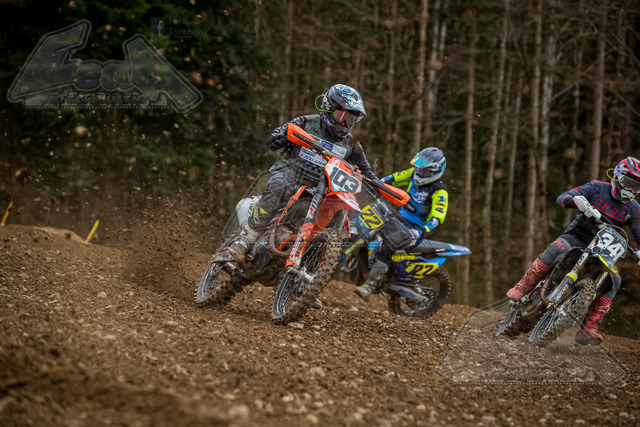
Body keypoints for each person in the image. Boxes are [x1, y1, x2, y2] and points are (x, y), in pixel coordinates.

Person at [226, 84, 380, 262]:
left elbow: (366, 172)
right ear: (329, 108)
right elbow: (272, 140)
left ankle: (313, 261)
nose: (346, 123)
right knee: (280, 185)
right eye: (342, 116)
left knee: (339, 208)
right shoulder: (306, 123)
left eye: (351, 119)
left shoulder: (351, 144)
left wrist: (381, 188)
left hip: (322, 189)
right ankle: (247, 237)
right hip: (292, 175)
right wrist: (285, 136)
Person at [506, 157, 640, 345]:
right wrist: (576, 201)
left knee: (615, 280)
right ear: (618, 177)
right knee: (555, 248)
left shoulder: (634, 209)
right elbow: (562, 197)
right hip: (577, 237)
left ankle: (590, 326)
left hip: (604, 250)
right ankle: (523, 286)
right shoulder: (596, 188)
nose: (631, 189)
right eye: (629, 183)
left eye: (636, 186)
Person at [355, 147, 449, 299]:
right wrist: (371, 183)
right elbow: (390, 179)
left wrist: (421, 230)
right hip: (398, 219)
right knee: (371, 214)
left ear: (435, 171)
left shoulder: (439, 190)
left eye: (424, 171)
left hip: (414, 229)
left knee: (387, 244)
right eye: (419, 169)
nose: (420, 173)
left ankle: (369, 285)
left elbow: (437, 217)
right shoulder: (412, 173)